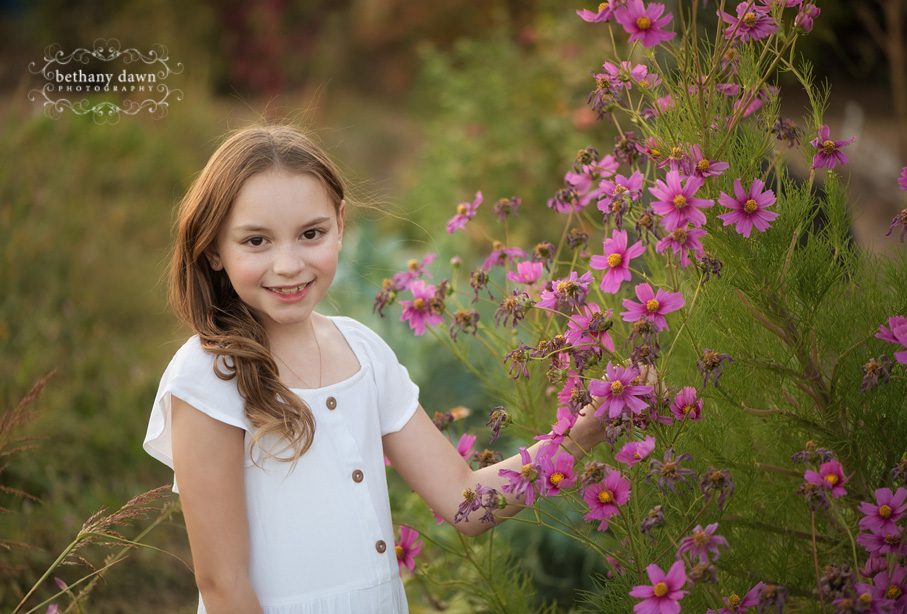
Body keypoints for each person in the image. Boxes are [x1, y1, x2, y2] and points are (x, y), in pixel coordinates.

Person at [142, 124, 605, 614]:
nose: (288, 264)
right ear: (214, 247)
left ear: (341, 224)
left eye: (311, 234)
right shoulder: (209, 377)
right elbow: (223, 583)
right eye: (257, 241)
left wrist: (580, 435)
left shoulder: (362, 351)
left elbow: (465, 500)